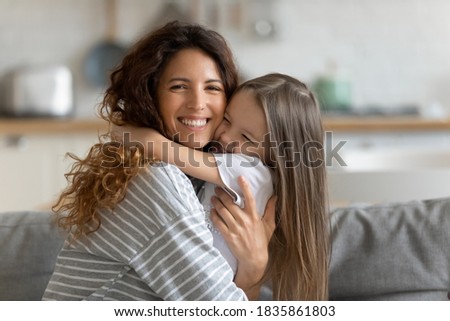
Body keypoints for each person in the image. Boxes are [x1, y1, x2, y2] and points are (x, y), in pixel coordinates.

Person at [42, 21, 275, 301]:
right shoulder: (156, 181)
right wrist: (253, 269)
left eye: (212, 88)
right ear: (151, 96)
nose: (197, 103)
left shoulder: (198, 178)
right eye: (179, 87)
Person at [119, 73, 330, 300]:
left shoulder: (253, 171)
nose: (226, 136)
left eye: (247, 138)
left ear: (278, 154)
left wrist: (124, 132)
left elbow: (166, 151)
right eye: (227, 120)